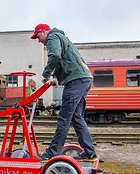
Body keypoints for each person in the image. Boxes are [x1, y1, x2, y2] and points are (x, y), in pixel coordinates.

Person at [31, 24, 97, 160]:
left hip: (76, 81)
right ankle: (89, 152)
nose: (39, 40)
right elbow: (64, 60)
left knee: (64, 118)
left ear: (43, 32)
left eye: (38, 36)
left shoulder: (52, 37)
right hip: (84, 79)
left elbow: (55, 55)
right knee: (76, 117)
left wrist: (46, 74)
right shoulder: (62, 38)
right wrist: (55, 78)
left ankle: (52, 153)